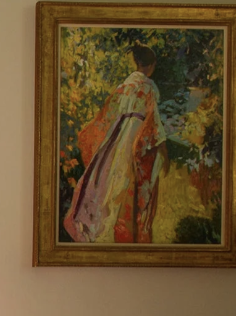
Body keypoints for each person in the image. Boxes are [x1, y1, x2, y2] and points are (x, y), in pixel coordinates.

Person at [63, 43, 169, 244]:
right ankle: (122, 229)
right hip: (137, 133)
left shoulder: (125, 86)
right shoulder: (149, 87)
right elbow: (153, 120)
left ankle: (105, 226)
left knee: (107, 176)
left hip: (119, 132)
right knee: (127, 180)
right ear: (151, 65)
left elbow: (110, 112)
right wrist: (162, 148)